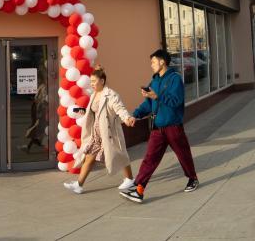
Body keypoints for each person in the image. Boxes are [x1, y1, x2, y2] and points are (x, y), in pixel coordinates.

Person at [120, 49, 198, 204]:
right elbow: (148, 104)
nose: (151, 65)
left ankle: (192, 178)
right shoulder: (154, 81)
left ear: (162, 62)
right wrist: (135, 115)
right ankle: (139, 189)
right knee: (149, 159)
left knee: (183, 155)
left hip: (173, 126)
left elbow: (176, 101)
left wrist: (157, 96)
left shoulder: (175, 79)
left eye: (153, 62)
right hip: (157, 127)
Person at [62, 67, 136, 195]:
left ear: (102, 81)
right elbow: (95, 112)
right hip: (96, 133)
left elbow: (119, 108)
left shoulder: (111, 95)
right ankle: (79, 185)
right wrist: (84, 112)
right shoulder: (94, 95)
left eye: (93, 81)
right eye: (90, 81)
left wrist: (127, 118)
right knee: (89, 157)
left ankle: (130, 179)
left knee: (120, 154)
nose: (91, 84)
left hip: (109, 132)